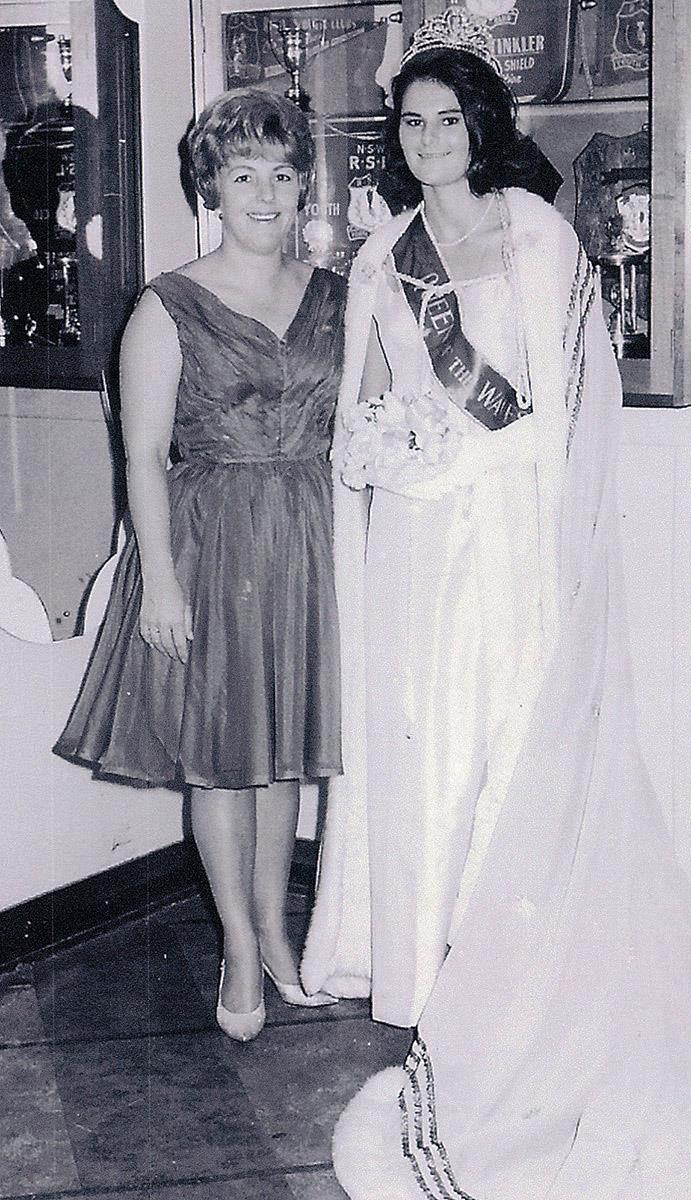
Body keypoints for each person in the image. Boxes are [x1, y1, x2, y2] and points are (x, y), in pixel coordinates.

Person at [300, 9, 691, 1197]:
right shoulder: (381, 259)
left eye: (445, 119)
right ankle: (421, 971)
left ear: (481, 125)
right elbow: (366, 399)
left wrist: (546, 522)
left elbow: (567, 409)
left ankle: (509, 972)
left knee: (504, 740)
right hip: (418, 538)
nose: (427, 139)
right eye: (408, 123)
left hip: (512, 532)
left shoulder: (535, 234)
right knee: (421, 749)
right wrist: (389, 439)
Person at [54, 85, 344, 1041]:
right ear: (211, 186)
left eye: (282, 173)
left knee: (281, 759)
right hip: (210, 546)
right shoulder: (169, 302)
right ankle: (234, 947)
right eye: (242, 173)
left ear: (305, 187)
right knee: (222, 762)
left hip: (308, 541)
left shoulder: (337, 295)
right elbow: (140, 454)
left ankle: (276, 937)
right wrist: (162, 583)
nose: (264, 193)